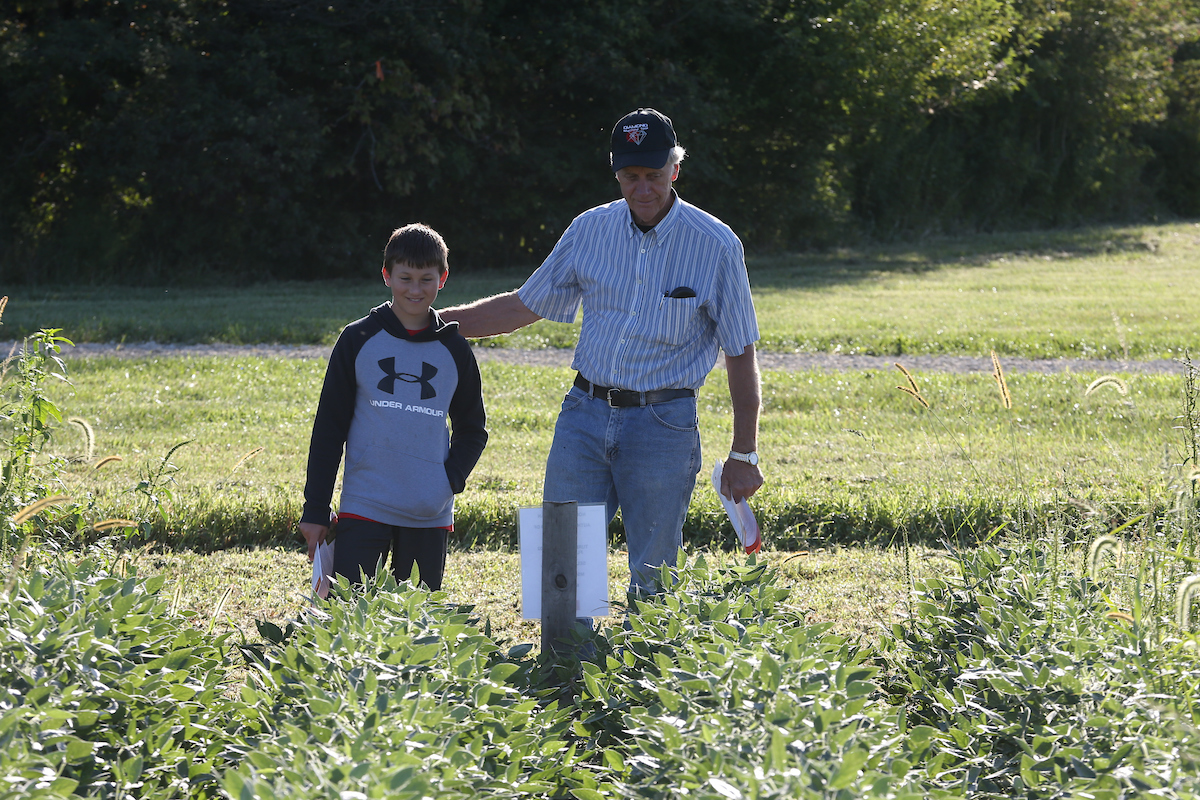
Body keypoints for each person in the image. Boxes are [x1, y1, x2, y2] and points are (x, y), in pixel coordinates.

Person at [442, 108, 763, 593]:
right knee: (561, 567)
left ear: (675, 170)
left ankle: (649, 668)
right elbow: (522, 306)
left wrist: (745, 452)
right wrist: (429, 323)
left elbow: (740, 354)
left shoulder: (717, 245)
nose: (643, 189)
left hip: (664, 424)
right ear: (616, 173)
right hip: (584, 414)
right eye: (630, 176)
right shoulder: (590, 230)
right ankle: (564, 669)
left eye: (654, 176)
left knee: (654, 577)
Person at [300, 223, 488, 591]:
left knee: (416, 623)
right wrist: (315, 508)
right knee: (349, 615)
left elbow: (473, 429)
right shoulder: (358, 338)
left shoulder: (455, 349)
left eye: (426, 279)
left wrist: (446, 482)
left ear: (443, 278)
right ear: (386, 275)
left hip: (428, 512)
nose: (415, 290)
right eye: (405, 278)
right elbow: (328, 428)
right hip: (364, 504)